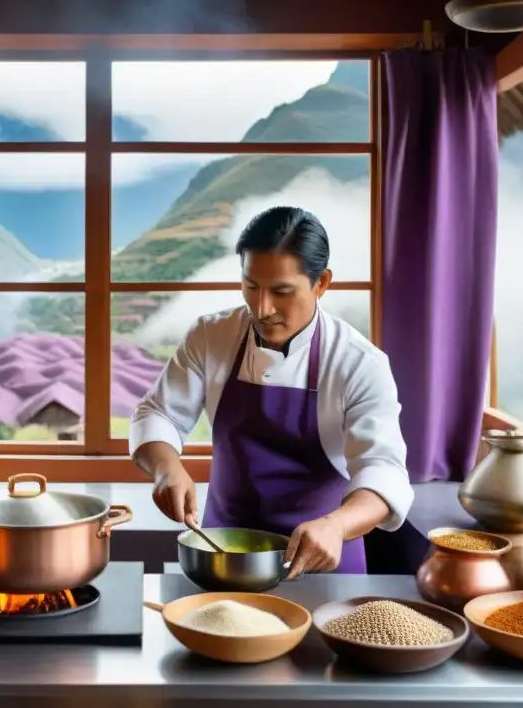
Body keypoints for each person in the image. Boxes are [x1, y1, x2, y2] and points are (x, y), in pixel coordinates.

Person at [129, 206, 413, 577]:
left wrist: (337, 526)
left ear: (321, 283)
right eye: (251, 287)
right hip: (222, 552)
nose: (262, 309)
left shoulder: (359, 363)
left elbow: (383, 470)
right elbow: (158, 413)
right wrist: (166, 469)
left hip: (322, 563)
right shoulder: (211, 336)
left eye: (281, 291)